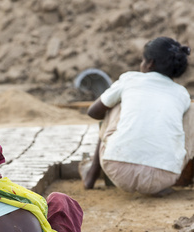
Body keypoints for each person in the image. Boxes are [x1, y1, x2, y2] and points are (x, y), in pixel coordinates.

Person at [81, 36, 194, 196]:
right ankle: (178, 178)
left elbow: (93, 112)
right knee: (190, 110)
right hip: (165, 176)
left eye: (143, 60)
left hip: (118, 169)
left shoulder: (130, 79)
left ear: (150, 63)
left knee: (115, 103)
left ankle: (91, 175)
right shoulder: (181, 93)